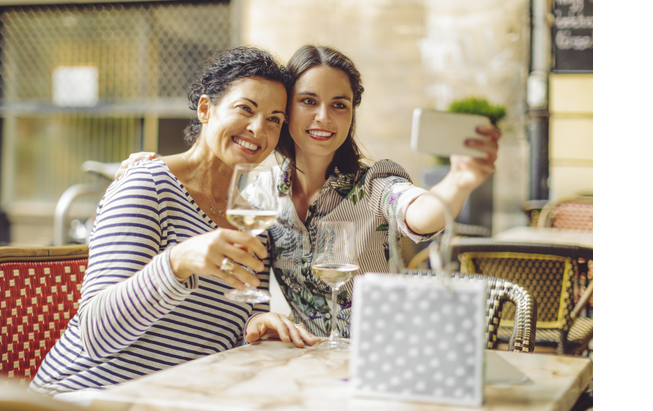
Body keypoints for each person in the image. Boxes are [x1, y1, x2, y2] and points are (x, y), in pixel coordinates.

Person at [117, 45, 500, 340]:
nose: (323, 118)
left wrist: (459, 181)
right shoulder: (259, 193)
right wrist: (154, 164)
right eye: (308, 102)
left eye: (339, 105)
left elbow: (420, 211)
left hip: (386, 353)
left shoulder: (373, 184)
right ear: (286, 112)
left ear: (351, 115)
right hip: (309, 364)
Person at [29, 46, 320, 401]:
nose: (258, 128)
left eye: (274, 119)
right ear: (205, 109)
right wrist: (177, 262)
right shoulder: (147, 185)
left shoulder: (253, 223)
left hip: (178, 407)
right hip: (89, 400)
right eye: (245, 108)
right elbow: (95, 334)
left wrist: (255, 328)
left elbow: (230, 333)